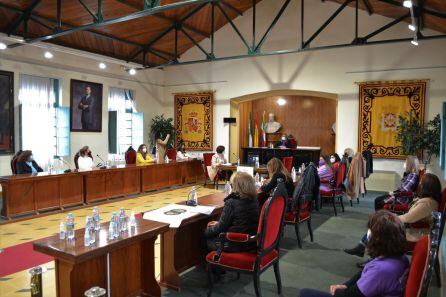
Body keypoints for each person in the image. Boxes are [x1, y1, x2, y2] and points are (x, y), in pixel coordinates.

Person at [300, 211, 409, 297]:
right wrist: (345, 285)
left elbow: (351, 295)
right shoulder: (398, 256)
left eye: (370, 230)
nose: (368, 234)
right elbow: (363, 272)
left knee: (305, 293)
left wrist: (339, 292)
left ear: (379, 239)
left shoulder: (381, 270)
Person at [345, 173, 442, 257]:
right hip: (411, 228)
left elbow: (409, 218)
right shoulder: (427, 201)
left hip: (416, 234)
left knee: (380, 228)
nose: (419, 185)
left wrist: (391, 218)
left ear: (427, 187)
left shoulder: (427, 204)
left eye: (421, 183)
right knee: (378, 224)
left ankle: (369, 255)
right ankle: (363, 249)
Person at [204, 171, 260, 252]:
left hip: (236, 243)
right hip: (252, 241)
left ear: (236, 186)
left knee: (206, 240)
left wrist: (206, 232)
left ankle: (216, 262)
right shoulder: (254, 199)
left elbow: (221, 227)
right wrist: (218, 223)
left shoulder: (231, 202)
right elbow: (239, 221)